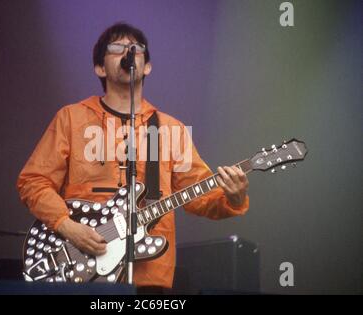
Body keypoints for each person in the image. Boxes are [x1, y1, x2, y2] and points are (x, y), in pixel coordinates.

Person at [17, 22, 249, 289]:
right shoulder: (71, 118)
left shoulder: (170, 129)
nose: (127, 51)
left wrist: (234, 196)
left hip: (150, 276)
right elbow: (33, 181)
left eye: (136, 49)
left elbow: (200, 198)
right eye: (116, 48)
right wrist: (67, 226)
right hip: (81, 269)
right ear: (100, 68)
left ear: (147, 66)